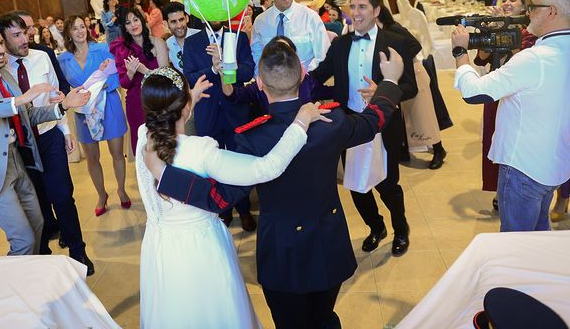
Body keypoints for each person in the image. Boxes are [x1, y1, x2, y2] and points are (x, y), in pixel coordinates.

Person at [147, 39, 405, 328]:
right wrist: (390, 81)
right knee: (323, 318)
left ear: (260, 83)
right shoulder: (331, 120)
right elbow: (373, 121)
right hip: (328, 244)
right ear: (303, 76)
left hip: (283, 253)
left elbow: (219, 198)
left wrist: (165, 175)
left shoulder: (252, 138)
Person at [136, 65, 327, 328]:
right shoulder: (201, 151)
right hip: (199, 251)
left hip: (159, 247)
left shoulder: (142, 138)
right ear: (184, 107)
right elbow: (266, 168)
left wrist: (187, 98)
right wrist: (301, 121)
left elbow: (168, 120)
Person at [0, 22, 89, 255]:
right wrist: (19, 100)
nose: (1, 49)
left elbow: (27, 114)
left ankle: (30, 280)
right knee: (23, 239)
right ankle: (16, 288)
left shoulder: (4, 75)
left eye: (1, 43)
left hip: (18, 161)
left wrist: (64, 105)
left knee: (37, 226)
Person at [452, 0, 570, 232]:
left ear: (552, 12)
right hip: (555, 163)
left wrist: (459, 53)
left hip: (524, 167)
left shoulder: (534, 58)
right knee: (539, 233)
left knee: (515, 241)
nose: (529, 11)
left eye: (534, 5)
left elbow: (474, 93)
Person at [310, 0, 418, 257]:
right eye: (353, 7)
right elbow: (317, 77)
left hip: (384, 124)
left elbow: (410, 87)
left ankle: (401, 228)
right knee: (357, 185)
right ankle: (376, 226)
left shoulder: (394, 42)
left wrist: (384, 89)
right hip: (350, 124)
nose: (355, 13)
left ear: (376, 10)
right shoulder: (341, 44)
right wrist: (287, 81)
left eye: (362, 7)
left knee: (388, 184)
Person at [0, 14, 94, 274]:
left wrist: (65, 131)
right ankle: (43, 258)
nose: (25, 38)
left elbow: (55, 96)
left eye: (25, 32)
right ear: (3, 41)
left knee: (62, 196)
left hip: (50, 134)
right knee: (36, 202)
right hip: (22, 144)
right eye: (16, 35)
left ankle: (78, 252)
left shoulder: (42, 58)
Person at [183, 19, 257, 231]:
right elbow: (189, 78)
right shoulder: (192, 42)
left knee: (237, 161)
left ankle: (244, 210)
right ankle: (222, 210)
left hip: (235, 110)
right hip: (207, 112)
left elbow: (248, 71)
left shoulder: (238, 37)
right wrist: (213, 70)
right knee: (212, 163)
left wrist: (226, 63)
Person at [58, 16, 130, 216]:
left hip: (109, 104)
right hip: (83, 111)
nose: (80, 31)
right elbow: (63, 87)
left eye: (82, 26)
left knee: (116, 153)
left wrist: (102, 85)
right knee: (92, 158)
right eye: (75, 28)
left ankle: (122, 190)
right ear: (69, 34)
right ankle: (101, 194)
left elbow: (117, 76)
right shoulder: (63, 60)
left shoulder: (101, 49)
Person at [473, 0, 536, 207]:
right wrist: (491, 29)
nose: (507, 2)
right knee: (493, 139)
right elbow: (481, 58)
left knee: (513, 140)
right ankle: (499, 189)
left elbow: (522, 60)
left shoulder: (530, 33)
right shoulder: (494, 25)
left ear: (523, 7)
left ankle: (517, 188)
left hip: (518, 93)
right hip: (495, 91)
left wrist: (507, 28)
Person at [377, 3, 448, 169]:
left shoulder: (394, 29)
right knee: (405, 116)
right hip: (401, 76)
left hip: (415, 72)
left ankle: (439, 149)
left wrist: (402, 61)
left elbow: (416, 46)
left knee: (423, 116)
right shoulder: (380, 33)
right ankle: (405, 149)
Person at [110, 6, 170, 153]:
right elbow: (124, 83)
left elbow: (166, 78)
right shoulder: (122, 48)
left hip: (158, 99)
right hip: (136, 101)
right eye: (128, 22)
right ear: (125, 27)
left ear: (142, 21)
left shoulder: (158, 43)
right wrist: (130, 73)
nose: (133, 25)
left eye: (136, 20)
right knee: (141, 143)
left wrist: (145, 71)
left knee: (162, 143)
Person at [222, 36, 333, 113]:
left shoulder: (307, 81)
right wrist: (225, 72)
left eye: (287, 52)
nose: (282, 57)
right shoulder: (263, 83)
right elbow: (234, 95)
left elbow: (330, 92)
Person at [251, 0, 330, 75]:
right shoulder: (260, 21)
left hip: (305, 84)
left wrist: (305, 79)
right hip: (269, 86)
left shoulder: (310, 17)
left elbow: (323, 55)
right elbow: (257, 57)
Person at [15, 10, 70, 94]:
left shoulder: (46, 52)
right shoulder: (4, 62)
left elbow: (63, 85)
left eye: (33, 27)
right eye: (26, 28)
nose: (33, 31)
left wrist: (62, 97)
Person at [163, 2, 200, 73]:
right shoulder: (167, 45)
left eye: (181, 20)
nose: (179, 25)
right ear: (166, 24)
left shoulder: (201, 36)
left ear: (187, 18)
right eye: (174, 22)